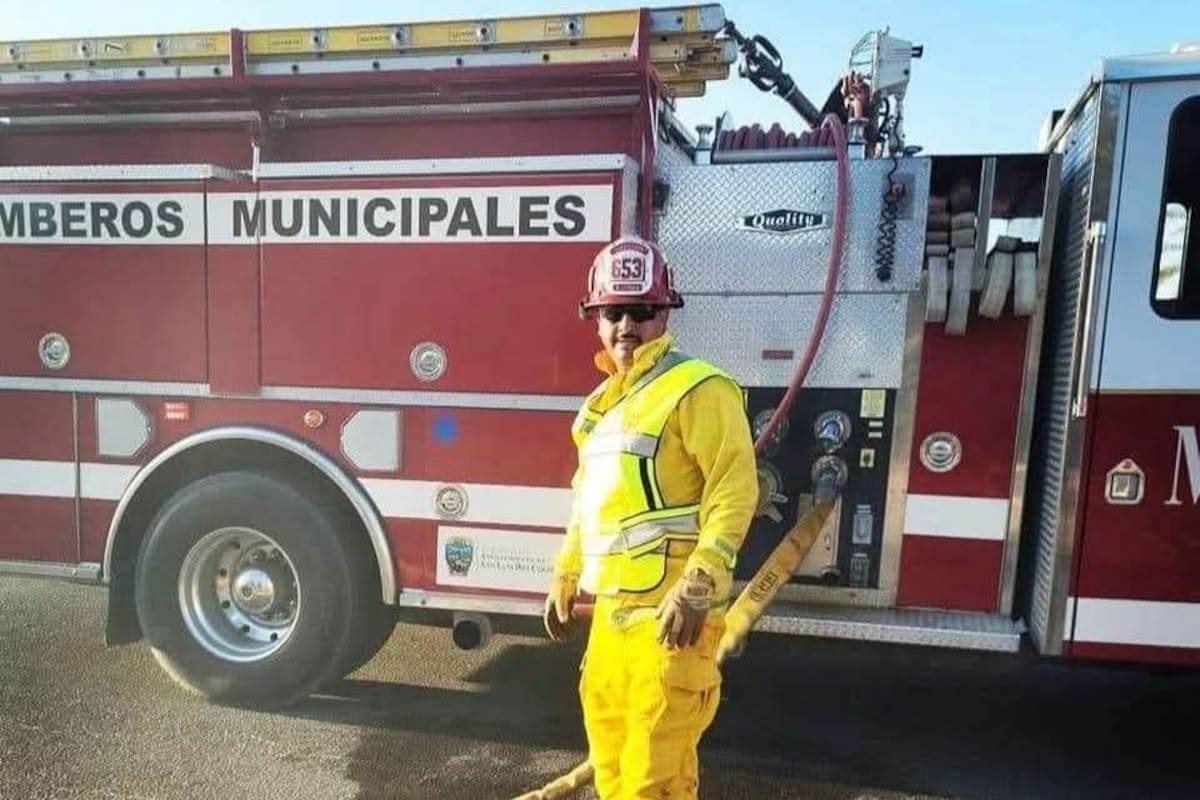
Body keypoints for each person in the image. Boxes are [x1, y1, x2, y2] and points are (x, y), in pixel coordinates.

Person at [543, 235, 758, 799]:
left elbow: (734, 489)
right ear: (594, 318)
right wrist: (566, 573)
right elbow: (587, 500)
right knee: (611, 772)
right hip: (611, 624)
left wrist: (701, 581)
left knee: (652, 784)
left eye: (641, 311)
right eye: (613, 312)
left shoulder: (699, 389)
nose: (626, 326)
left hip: (670, 623)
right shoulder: (598, 407)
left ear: (664, 313)